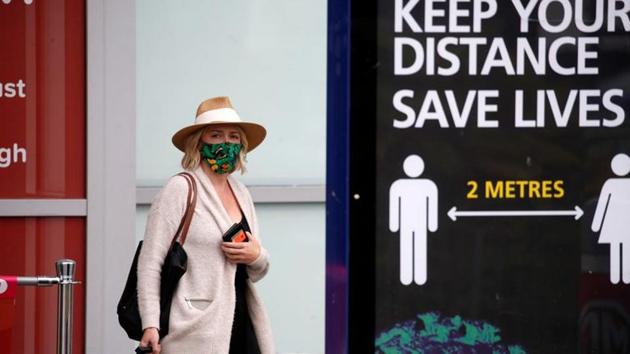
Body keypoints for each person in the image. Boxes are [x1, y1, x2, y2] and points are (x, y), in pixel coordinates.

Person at [137, 96, 274, 353]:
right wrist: (151, 323)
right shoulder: (179, 189)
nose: (227, 143)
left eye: (234, 137)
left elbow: (256, 271)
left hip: (243, 325)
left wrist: (257, 255)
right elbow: (150, 263)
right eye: (216, 135)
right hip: (195, 328)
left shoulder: (241, 193)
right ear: (198, 143)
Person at [592, 153, 630, 284]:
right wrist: (596, 224)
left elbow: (601, 205)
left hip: (615, 222)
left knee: (618, 248)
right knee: (621, 247)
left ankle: (618, 277)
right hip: (619, 222)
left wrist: (596, 225)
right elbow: (602, 204)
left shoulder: (610, 183)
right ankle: (622, 277)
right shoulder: (610, 184)